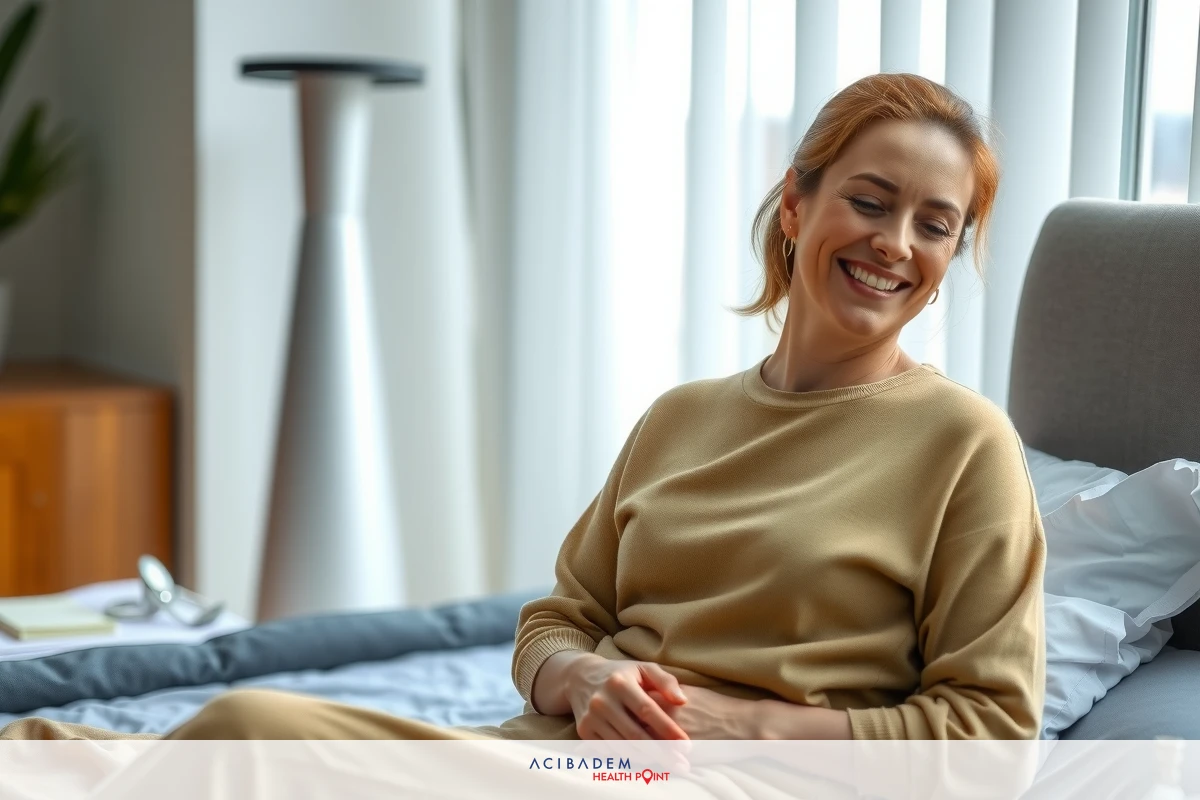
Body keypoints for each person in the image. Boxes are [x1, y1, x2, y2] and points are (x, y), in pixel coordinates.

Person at [0, 71, 1044, 743]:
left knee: (239, 732)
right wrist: (579, 675)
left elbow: (991, 729)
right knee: (124, 739)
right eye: (870, 199)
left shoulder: (963, 444)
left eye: (936, 223)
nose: (896, 242)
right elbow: (557, 616)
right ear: (797, 204)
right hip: (551, 756)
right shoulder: (683, 417)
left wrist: (748, 724)